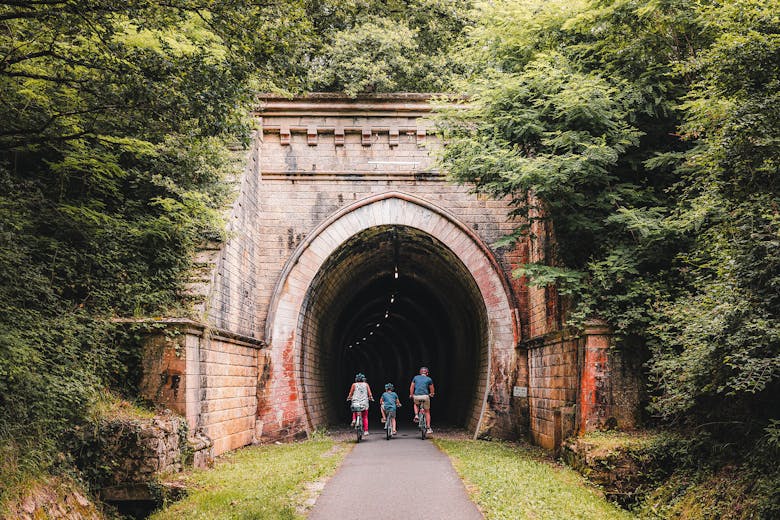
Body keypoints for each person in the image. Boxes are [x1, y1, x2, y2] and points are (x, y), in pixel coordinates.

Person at [409, 366, 435, 434]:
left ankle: (416, 415)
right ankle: (428, 427)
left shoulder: (415, 377)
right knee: (427, 411)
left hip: (417, 396)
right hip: (425, 396)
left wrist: (411, 395)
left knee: (415, 404)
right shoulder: (429, 379)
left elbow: (412, 387)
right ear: (427, 373)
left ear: (420, 372)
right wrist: (431, 394)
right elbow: (432, 388)